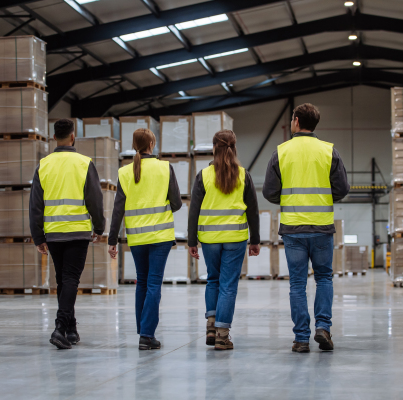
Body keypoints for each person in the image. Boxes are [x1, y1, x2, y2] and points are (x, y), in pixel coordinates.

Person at [263, 103, 349, 353]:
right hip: (322, 228)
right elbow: (342, 188)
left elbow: (269, 192)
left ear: (297, 121)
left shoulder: (281, 151)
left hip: (293, 229)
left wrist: (291, 199)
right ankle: (323, 327)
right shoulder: (328, 151)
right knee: (323, 278)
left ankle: (301, 338)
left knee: (297, 284)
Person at [29, 119, 105, 350]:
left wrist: (38, 236)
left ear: (54, 138)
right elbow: (95, 199)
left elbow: (35, 204)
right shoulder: (84, 163)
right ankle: (60, 327)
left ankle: (70, 329)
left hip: (53, 233)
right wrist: (100, 227)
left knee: (63, 280)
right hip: (77, 232)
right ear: (73, 137)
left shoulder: (44, 165)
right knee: (70, 279)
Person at [108, 128, 182, 350]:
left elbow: (118, 209)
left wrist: (112, 240)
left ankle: (143, 331)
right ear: (152, 144)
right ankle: (147, 335)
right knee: (153, 283)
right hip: (160, 236)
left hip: (137, 238)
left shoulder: (124, 172)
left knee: (142, 282)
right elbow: (177, 203)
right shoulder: (164, 168)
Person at [188, 130, 260, 351]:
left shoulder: (203, 175)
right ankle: (222, 335)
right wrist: (255, 240)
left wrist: (192, 241)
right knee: (228, 285)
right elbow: (253, 211)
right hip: (235, 239)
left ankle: (211, 326)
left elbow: (194, 211)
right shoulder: (243, 175)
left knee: (213, 280)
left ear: (213, 148)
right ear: (234, 148)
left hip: (209, 239)